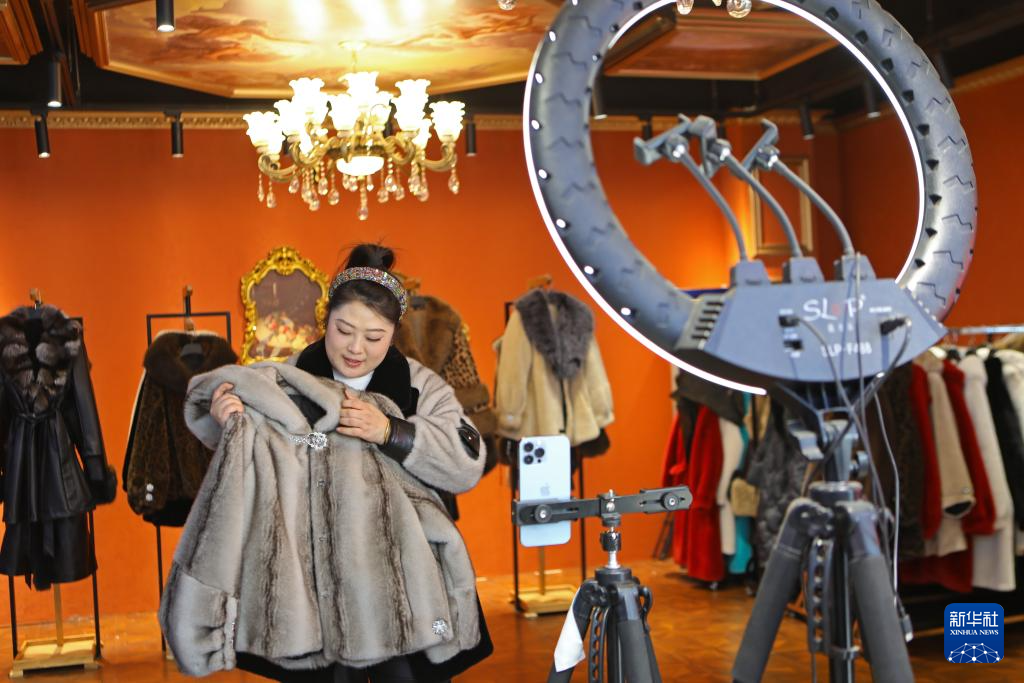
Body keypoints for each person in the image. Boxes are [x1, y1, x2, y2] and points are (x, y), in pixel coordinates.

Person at [207, 244, 493, 683]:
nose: (356, 348)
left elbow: (465, 463)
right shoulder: (286, 381)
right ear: (325, 321)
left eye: (374, 337)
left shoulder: (420, 386)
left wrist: (392, 432)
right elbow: (252, 462)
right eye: (344, 330)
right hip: (314, 580)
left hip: (407, 584)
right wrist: (228, 423)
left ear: (393, 335)